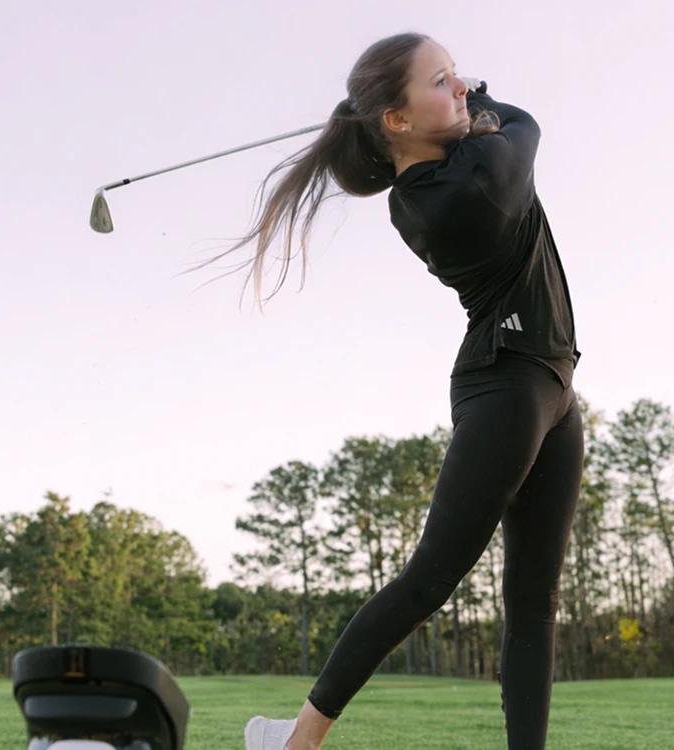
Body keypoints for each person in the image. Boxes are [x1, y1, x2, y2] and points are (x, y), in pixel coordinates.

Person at [226, 31, 584, 750]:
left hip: (550, 385)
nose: (461, 87)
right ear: (393, 119)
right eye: (442, 80)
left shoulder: (452, 169)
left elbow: (493, 124)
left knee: (535, 602)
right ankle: (296, 742)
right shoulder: (455, 189)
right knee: (428, 581)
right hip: (505, 382)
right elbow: (524, 124)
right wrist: (476, 99)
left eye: (458, 76)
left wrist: (454, 98)